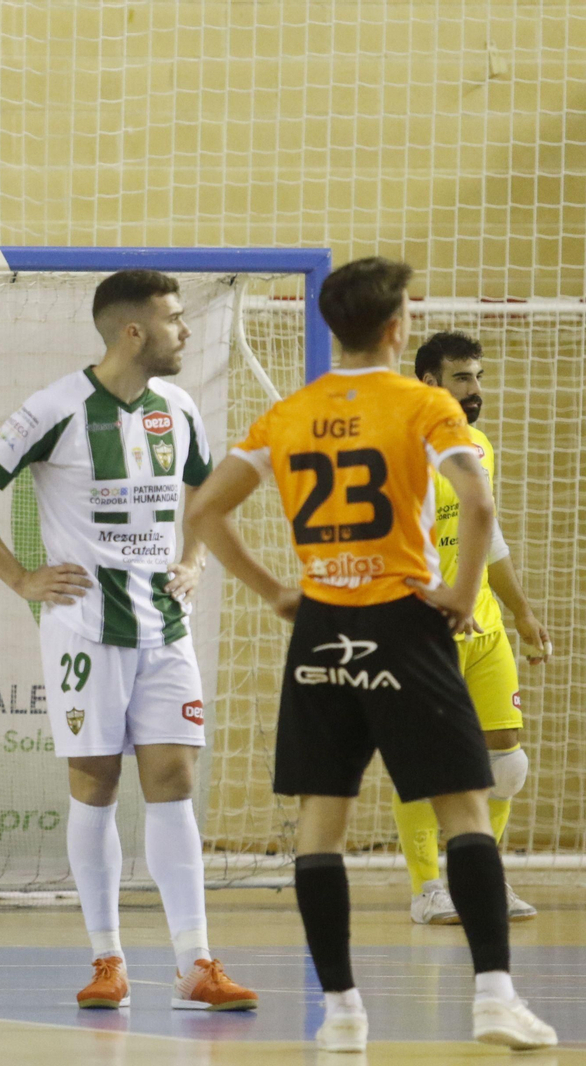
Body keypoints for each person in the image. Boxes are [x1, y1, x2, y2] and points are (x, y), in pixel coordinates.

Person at [186, 258, 556, 1051]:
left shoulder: (287, 412)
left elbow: (207, 510)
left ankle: (342, 1013)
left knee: (321, 825)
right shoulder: (423, 404)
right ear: (398, 328)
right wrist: (460, 592)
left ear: (331, 327)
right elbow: (479, 499)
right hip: (402, 618)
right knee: (466, 810)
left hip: (320, 622)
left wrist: (277, 593)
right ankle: (494, 996)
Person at [0, 270, 257, 1012]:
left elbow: (203, 501)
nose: (186, 332)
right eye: (175, 320)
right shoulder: (55, 408)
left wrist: (194, 559)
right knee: (97, 784)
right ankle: (107, 957)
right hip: (86, 629)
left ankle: (195, 963)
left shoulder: (178, 408)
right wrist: (21, 579)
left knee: (174, 782)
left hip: (164, 628)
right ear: (133, 332)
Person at [396, 331, 549, 924]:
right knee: (424, 761)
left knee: (507, 764)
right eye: (463, 377)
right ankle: (427, 887)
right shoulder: (401, 450)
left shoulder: (479, 445)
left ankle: (481, 881)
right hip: (423, 634)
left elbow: (491, 538)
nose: (476, 390)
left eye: (478, 377)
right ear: (429, 382)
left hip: (484, 629)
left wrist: (522, 611)